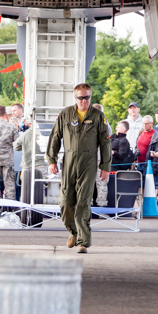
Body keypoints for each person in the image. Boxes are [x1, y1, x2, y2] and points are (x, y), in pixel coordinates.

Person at [46, 83, 111, 254]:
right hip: (69, 162)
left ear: (90, 97)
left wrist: (105, 166)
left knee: (83, 202)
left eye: (87, 97)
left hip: (89, 164)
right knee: (66, 203)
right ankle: (74, 232)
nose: (84, 101)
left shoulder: (98, 116)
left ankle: (83, 241)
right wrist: (51, 160)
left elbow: (105, 143)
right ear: (75, 98)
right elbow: (55, 137)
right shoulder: (66, 114)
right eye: (80, 98)